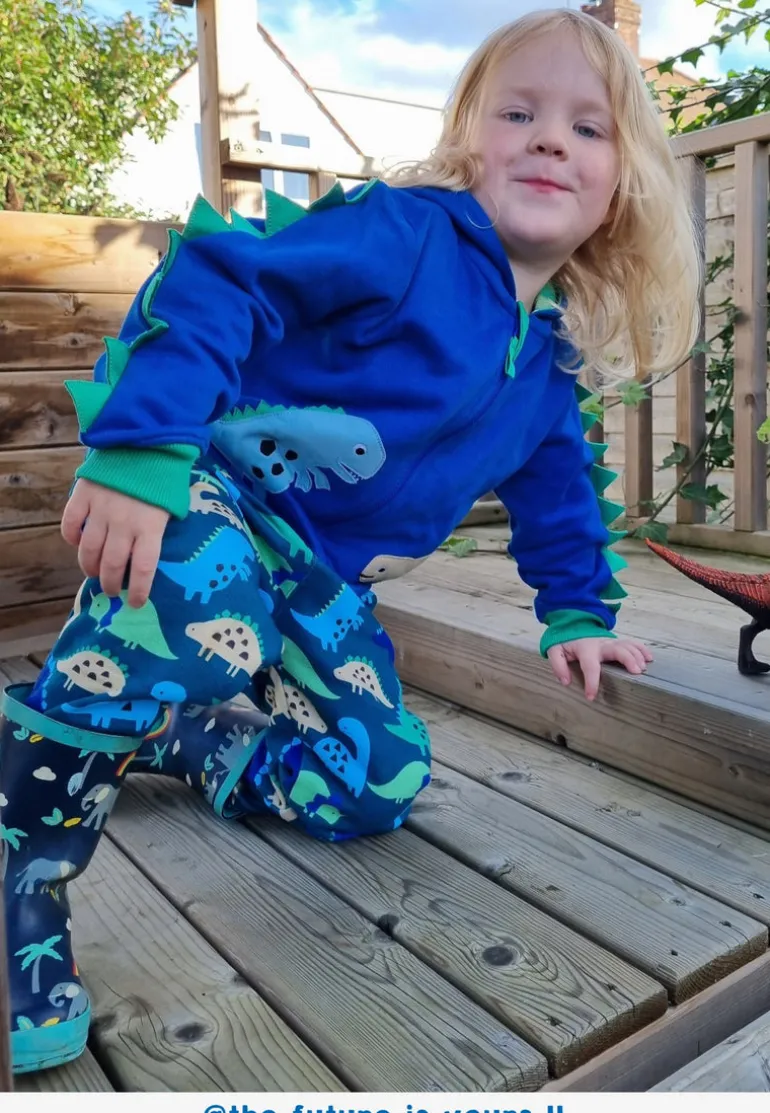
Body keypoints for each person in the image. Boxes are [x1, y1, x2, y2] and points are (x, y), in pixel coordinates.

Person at [0, 7, 699, 1075]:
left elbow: (559, 497)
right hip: (215, 495)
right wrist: (145, 445)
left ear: (622, 188)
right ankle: (25, 867)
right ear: (470, 142)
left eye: (586, 128)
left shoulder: (547, 366)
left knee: (375, 779)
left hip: (323, 585)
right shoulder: (405, 235)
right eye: (518, 114)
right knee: (208, 618)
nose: (550, 140)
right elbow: (222, 274)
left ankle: (188, 745)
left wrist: (576, 613)